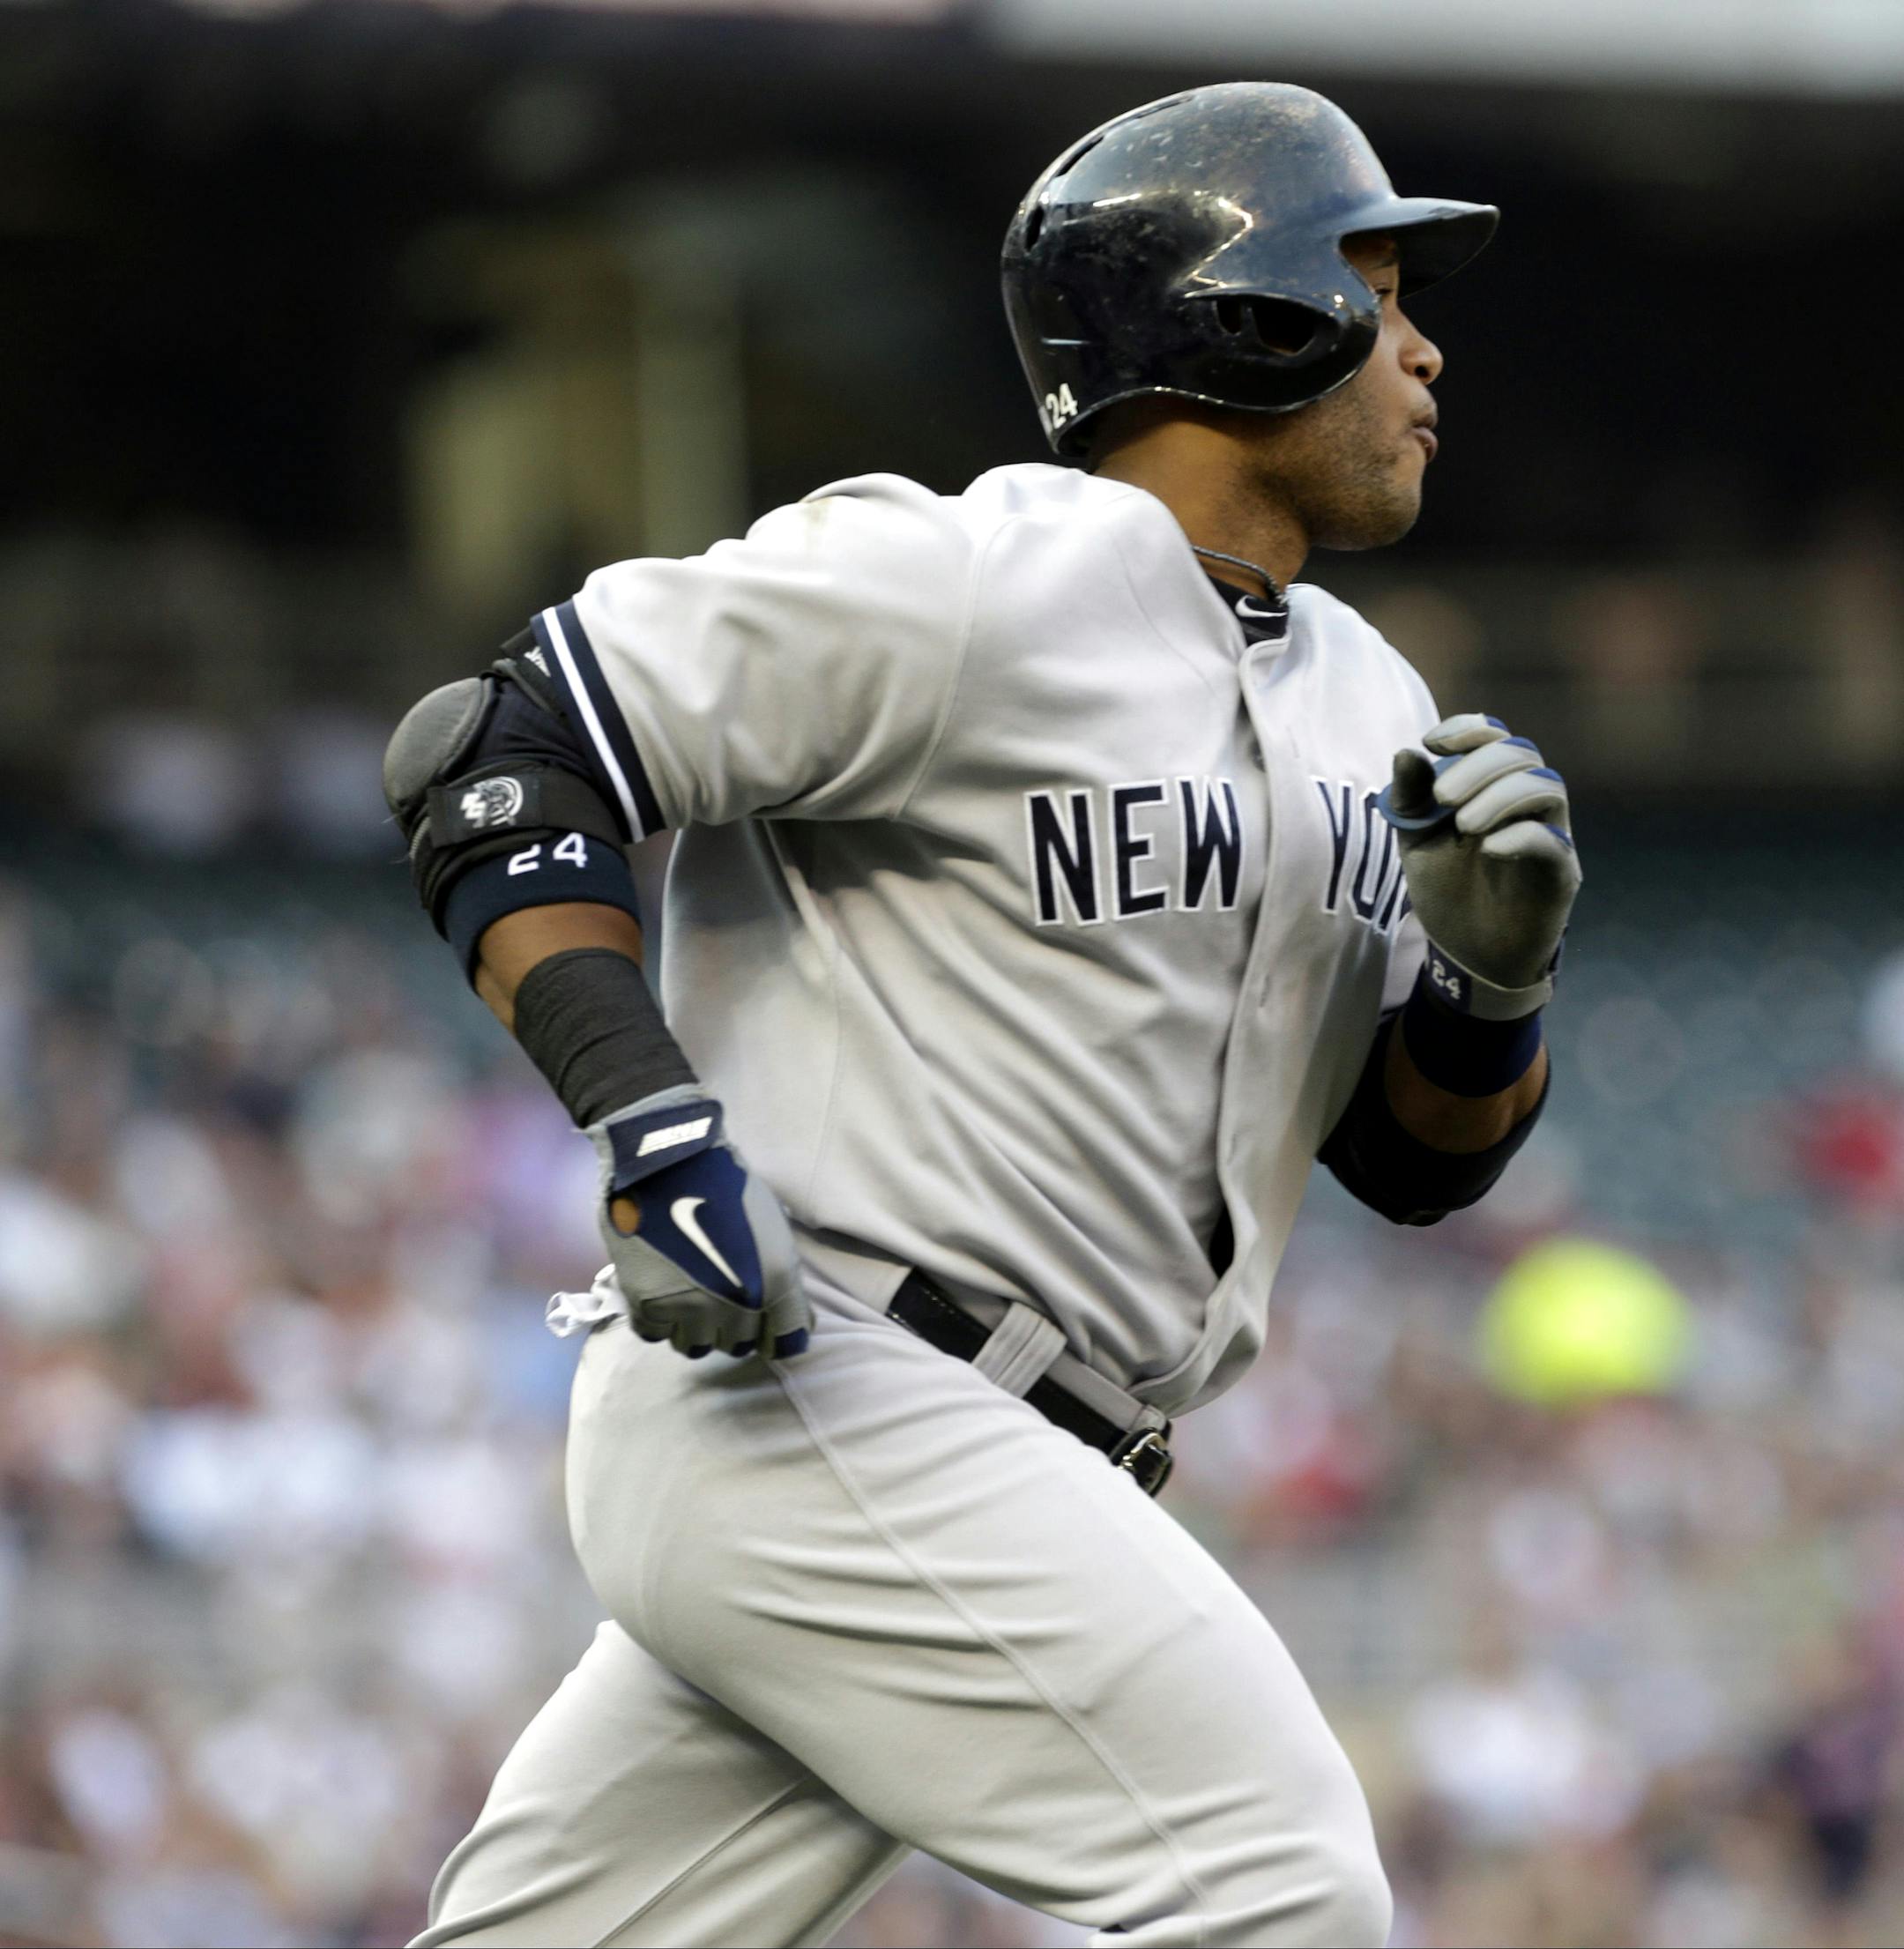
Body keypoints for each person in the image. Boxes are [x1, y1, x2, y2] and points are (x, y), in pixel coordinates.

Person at [383, 80, 1579, 1949]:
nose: (1426, 349)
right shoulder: (962, 575)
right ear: (1253, 311)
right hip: (823, 1379)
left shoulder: (1375, 699)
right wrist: (652, 1118)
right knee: (1281, 1887)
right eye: (1382, 285)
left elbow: (1409, 1166)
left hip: (997, 1461)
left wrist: (1492, 986)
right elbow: (498, 752)